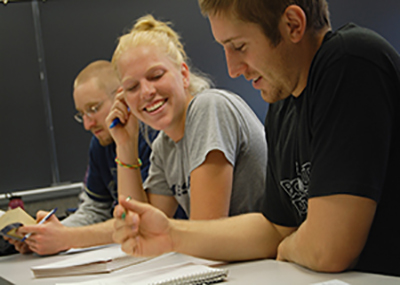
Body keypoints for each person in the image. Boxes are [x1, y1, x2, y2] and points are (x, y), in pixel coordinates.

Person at [113, 0, 400, 277]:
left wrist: (289, 245)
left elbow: (329, 249)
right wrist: (172, 235)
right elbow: (273, 228)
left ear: (292, 24)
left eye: (239, 47)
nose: (233, 69)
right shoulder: (282, 104)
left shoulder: (350, 61)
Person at [106, 15, 267, 220]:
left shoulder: (209, 108)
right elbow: (138, 225)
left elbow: (207, 232)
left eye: (156, 76)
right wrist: (125, 145)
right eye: (132, 87)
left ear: (183, 74)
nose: (146, 92)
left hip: (270, 250)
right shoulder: (164, 146)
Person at [4, 60, 154, 255]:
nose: (87, 124)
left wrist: (65, 237)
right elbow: (95, 209)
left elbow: (143, 221)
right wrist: (45, 234)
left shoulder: (153, 137)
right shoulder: (100, 143)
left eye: (93, 109)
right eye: (81, 114)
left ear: (121, 97)